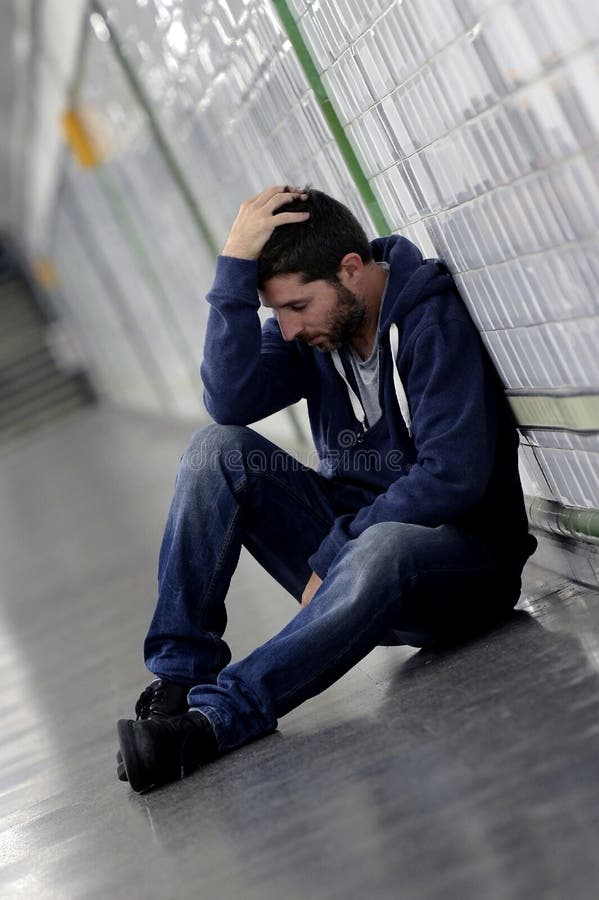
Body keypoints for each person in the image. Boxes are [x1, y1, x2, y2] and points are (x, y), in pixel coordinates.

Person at [116, 185, 536, 792]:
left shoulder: (428, 319)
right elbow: (228, 401)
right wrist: (232, 268)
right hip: (357, 559)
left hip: (460, 568)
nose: (286, 329)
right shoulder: (323, 332)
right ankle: (178, 686)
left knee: (382, 544)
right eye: (275, 312)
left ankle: (217, 718)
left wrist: (336, 546)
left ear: (351, 270)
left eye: (296, 306)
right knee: (216, 452)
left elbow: (453, 476)